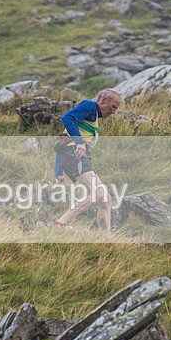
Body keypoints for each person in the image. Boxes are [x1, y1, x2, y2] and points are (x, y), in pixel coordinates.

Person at [51, 88, 122, 232]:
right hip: (75, 154)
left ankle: (106, 240)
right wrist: (79, 143)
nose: (114, 111)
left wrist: (58, 171)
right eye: (113, 107)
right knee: (99, 193)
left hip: (75, 155)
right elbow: (67, 118)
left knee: (106, 199)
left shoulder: (93, 116)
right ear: (103, 101)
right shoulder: (90, 106)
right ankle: (60, 223)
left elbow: (60, 141)